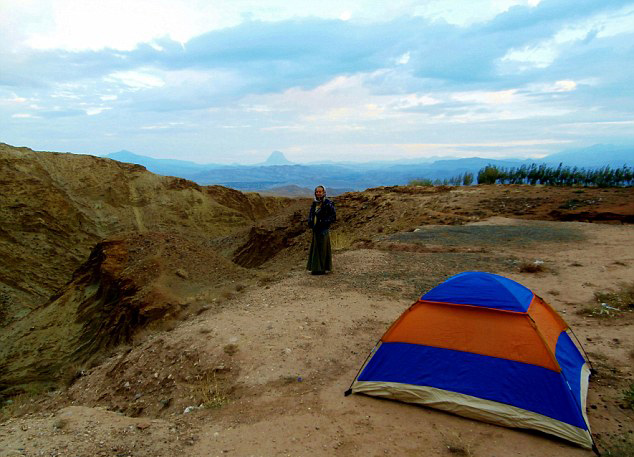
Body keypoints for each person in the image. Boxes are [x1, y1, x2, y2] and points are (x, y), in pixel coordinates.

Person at [307, 185, 336, 275]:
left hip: (323, 229)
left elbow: (333, 217)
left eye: (320, 192)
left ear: (324, 193)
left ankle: (322, 268)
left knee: (323, 249)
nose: (318, 193)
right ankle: (315, 268)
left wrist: (323, 222)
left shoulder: (328, 203)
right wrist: (311, 222)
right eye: (317, 192)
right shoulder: (314, 203)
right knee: (316, 248)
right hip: (316, 229)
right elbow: (311, 214)